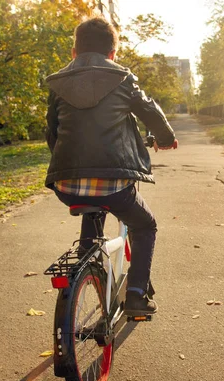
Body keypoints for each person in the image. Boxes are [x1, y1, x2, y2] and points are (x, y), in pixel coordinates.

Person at [44, 17, 178, 316]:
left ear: (73, 52)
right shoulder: (122, 77)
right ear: (113, 54)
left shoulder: (57, 82)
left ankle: (84, 263)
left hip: (66, 184)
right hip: (114, 184)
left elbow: (52, 130)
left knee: (92, 209)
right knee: (145, 225)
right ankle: (136, 296)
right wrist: (166, 139)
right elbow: (151, 114)